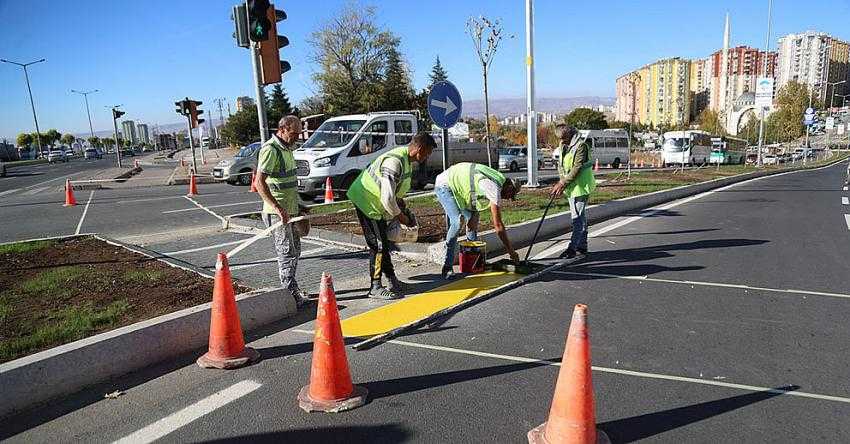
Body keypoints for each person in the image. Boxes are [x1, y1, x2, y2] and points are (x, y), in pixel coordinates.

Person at [346, 132, 436, 299]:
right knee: (378, 245)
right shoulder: (394, 162)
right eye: (428, 152)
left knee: (384, 244)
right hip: (367, 202)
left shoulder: (407, 161)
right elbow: (387, 199)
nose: (428, 156)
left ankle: (392, 281)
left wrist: (401, 206)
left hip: (377, 205)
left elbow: (395, 193)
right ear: (420, 149)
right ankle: (375, 287)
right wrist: (402, 218)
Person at [254, 115, 309, 309]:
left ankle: (292, 288)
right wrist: (277, 208)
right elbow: (259, 183)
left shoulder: (287, 149)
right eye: (294, 133)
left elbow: (289, 184)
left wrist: (299, 205)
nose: (297, 137)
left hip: (291, 210)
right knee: (286, 253)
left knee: (295, 251)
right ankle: (289, 295)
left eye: (299, 133)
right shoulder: (271, 150)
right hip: (278, 214)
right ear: (283, 129)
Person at [434, 162, 521, 278]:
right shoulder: (493, 187)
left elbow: (473, 186)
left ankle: (472, 261)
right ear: (509, 187)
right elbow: (498, 226)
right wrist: (511, 252)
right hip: (445, 185)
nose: (509, 198)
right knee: (457, 221)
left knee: (473, 218)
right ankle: (447, 267)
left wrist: (473, 214)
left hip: (460, 186)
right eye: (511, 195)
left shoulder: (497, 179)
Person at [550, 124, 596, 259]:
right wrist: (561, 183)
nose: (562, 141)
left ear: (570, 135)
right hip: (571, 186)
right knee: (580, 216)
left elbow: (577, 168)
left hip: (581, 186)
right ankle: (582, 245)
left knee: (577, 218)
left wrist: (562, 183)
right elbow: (561, 165)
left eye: (564, 138)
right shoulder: (563, 145)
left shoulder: (581, 146)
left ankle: (572, 248)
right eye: (560, 139)